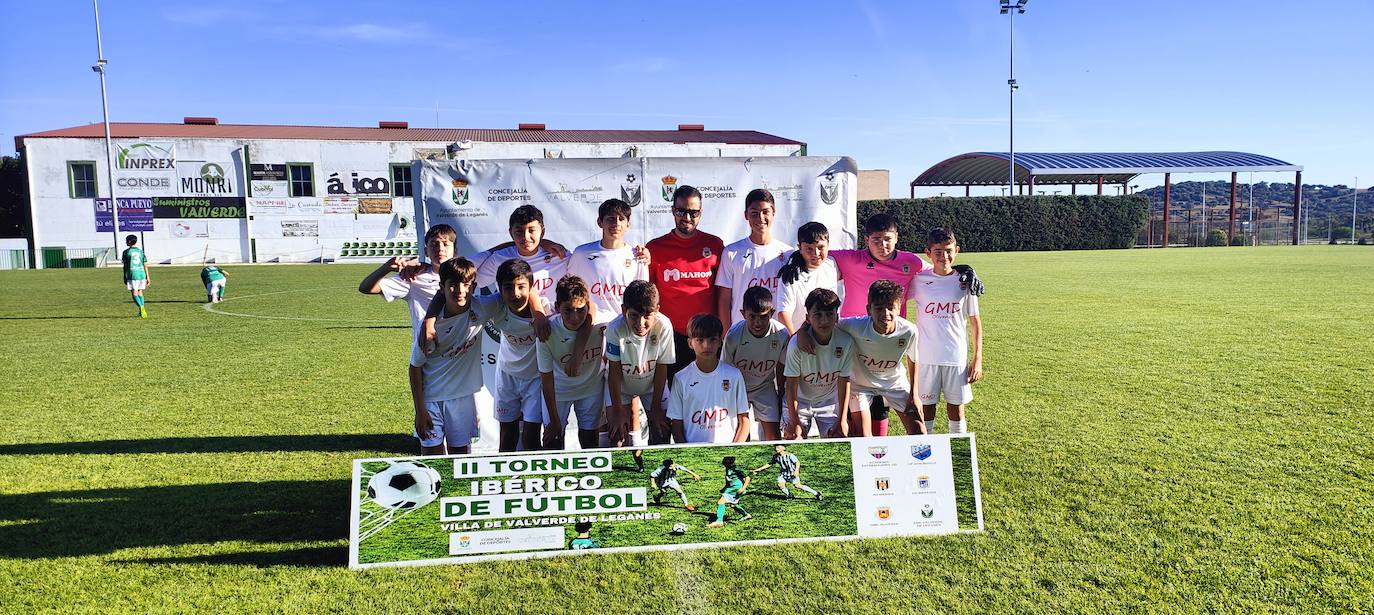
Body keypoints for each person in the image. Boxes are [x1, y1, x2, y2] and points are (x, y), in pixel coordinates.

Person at [797, 280, 921, 437]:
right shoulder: (853, 326)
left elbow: (913, 359)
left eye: (891, 308)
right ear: (869, 309)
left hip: (894, 383)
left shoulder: (909, 331)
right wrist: (802, 331)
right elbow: (823, 321)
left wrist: (914, 394)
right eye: (879, 308)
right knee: (864, 436)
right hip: (860, 386)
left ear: (899, 309)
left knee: (918, 430)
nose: (885, 314)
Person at [408, 257, 499, 455]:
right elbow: (414, 367)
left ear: (473, 287)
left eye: (466, 284)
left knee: (460, 458)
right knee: (432, 459)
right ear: (442, 287)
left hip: (462, 399)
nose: (460, 290)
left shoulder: (481, 308)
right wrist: (420, 410)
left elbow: (518, 289)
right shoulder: (430, 329)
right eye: (452, 285)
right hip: (430, 400)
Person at [646, 185, 724, 381]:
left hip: (708, 338)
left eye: (693, 212)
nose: (687, 218)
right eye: (681, 211)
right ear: (673, 211)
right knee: (675, 400)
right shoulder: (655, 248)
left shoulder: (715, 245)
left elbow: (724, 293)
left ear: (701, 212)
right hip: (671, 338)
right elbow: (649, 297)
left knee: (709, 396)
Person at [909, 228, 983, 435]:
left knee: (956, 411)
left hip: (955, 357)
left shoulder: (966, 281)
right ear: (928, 253)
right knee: (926, 411)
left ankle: (959, 462)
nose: (944, 256)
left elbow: (976, 322)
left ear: (957, 250)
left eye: (949, 251)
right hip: (926, 357)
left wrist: (977, 358)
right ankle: (927, 460)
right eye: (938, 251)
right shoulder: (919, 281)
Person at [604, 280, 675, 455]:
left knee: (662, 429)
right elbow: (613, 372)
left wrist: (656, 408)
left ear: (657, 310)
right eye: (634, 315)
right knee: (617, 435)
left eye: (647, 316)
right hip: (622, 386)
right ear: (623, 310)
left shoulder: (664, 326)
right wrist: (619, 410)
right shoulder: (614, 328)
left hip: (652, 385)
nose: (640, 323)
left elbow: (661, 368)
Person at [537, 276, 607, 451]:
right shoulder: (548, 332)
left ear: (587, 306)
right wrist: (554, 420)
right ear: (557, 307)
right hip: (559, 391)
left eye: (580, 310)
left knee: (590, 441)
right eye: (568, 310)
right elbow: (546, 378)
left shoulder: (603, 324)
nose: (575, 317)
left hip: (591, 388)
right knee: (553, 441)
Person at [484, 259, 544, 452]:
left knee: (531, 437)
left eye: (521, 287)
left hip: (536, 379)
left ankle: (535, 479)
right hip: (507, 376)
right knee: (507, 435)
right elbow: (462, 303)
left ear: (531, 287)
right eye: (508, 288)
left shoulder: (546, 311)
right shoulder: (494, 306)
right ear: (499, 289)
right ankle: (504, 479)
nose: (516, 294)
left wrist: (540, 314)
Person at [715, 189, 793, 330]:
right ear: (746, 215)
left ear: (773, 213)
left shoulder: (788, 254)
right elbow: (724, 300)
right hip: (741, 335)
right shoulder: (731, 252)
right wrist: (727, 336)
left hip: (777, 335)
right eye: (754, 213)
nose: (760, 218)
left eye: (765, 212)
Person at [668, 313, 751, 444]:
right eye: (700, 340)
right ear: (690, 343)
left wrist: (734, 450)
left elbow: (744, 420)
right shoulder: (680, 378)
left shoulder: (734, 375)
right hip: (694, 456)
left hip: (728, 454)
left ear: (720, 341)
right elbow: (676, 426)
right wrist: (687, 455)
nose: (706, 345)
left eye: (712, 339)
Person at [782, 288, 853, 439]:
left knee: (839, 439)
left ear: (837, 316)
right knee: (794, 439)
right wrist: (794, 421)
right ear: (808, 318)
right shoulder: (796, 345)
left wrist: (842, 419)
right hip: (799, 402)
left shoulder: (846, 341)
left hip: (829, 403)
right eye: (818, 315)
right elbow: (791, 386)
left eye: (829, 314)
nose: (824, 320)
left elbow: (844, 381)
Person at [358, 224, 456, 331]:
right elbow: (366, 288)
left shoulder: (466, 275)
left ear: (455, 250)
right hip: (428, 345)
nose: (440, 249)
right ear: (426, 251)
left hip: (462, 346)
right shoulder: (414, 277)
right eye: (434, 244)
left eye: (445, 244)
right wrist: (385, 268)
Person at [721, 287, 789, 442]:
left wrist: (780, 396)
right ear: (743, 313)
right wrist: (728, 397)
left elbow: (781, 367)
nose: (757, 323)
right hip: (738, 389)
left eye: (763, 317)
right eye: (752, 316)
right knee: (741, 434)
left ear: (771, 313)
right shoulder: (733, 335)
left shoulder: (781, 334)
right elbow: (725, 371)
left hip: (764, 386)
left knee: (773, 436)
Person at [567, 199, 650, 323]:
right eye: (610, 219)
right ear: (600, 222)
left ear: (628, 224)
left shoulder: (638, 257)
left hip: (623, 328)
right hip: (589, 327)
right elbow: (569, 290)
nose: (616, 223)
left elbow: (641, 299)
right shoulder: (581, 254)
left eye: (621, 219)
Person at [776, 222, 841, 334]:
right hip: (803, 338)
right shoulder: (790, 276)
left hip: (830, 338)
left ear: (828, 244)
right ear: (800, 248)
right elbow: (783, 313)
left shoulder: (832, 264)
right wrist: (794, 341)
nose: (816, 253)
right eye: (809, 249)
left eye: (821, 247)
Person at [751, 444, 822, 500]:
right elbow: (770, 464)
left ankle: (816, 493)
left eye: (778, 447)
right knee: (780, 485)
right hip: (783, 474)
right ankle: (789, 495)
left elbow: (797, 462)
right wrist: (758, 469)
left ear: (783, 448)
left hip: (792, 474)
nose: (776, 449)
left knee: (798, 486)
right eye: (775, 447)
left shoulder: (790, 455)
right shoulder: (776, 456)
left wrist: (796, 470)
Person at [707, 456, 752, 528]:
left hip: (736, 489)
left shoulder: (736, 469)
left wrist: (743, 488)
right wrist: (724, 488)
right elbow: (729, 479)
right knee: (733, 505)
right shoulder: (728, 469)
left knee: (721, 502)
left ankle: (719, 521)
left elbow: (748, 477)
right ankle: (746, 515)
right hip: (732, 489)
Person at [121, 234, 150, 318]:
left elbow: (125, 266)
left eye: (126, 240)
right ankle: (142, 310)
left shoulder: (126, 252)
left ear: (129, 242)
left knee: (134, 293)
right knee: (140, 292)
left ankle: (141, 307)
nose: (126, 242)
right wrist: (147, 277)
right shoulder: (141, 251)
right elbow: (145, 264)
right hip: (141, 274)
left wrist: (124, 276)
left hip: (133, 274)